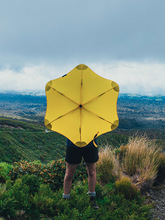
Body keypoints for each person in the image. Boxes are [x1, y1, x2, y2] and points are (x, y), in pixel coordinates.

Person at [63, 138, 99, 209]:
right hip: (72, 143)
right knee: (69, 174)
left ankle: (92, 198)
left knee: (92, 171)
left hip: (91, 143)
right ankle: (65, 199)